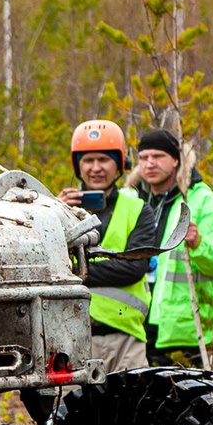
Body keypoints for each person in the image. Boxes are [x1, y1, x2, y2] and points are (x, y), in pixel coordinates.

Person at [86, 129, 213, 370]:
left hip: (182, 329)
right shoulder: (125, 200)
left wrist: (199, 244)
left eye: (158, 156)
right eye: (144, 157)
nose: (150, 163)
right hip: (130, 322)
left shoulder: (202, 200)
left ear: (176, 160)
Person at [65, 119, 148, 375]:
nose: (96, 168)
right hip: (71, 337)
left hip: (123, 339)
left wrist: (76, 272)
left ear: (119, 164)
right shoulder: (58, 210)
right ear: (77, 165)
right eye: (88, 160)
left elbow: (134, 267)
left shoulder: (138, 209)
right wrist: (52, 212)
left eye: (104, 160)